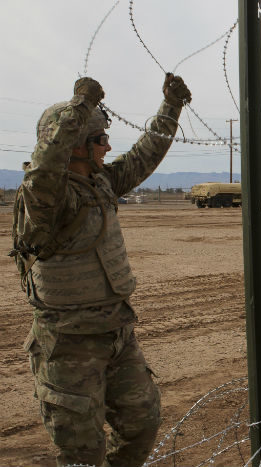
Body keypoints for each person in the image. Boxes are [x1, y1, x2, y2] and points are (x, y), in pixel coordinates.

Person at [12, 74, 191, 467]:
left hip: (117, 334)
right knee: (82, 453)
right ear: (72, 145)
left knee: (142, 426)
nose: (107, 146)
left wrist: (170, 108)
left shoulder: (101, 183)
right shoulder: (45, 199)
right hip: (68, 342)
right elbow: (45, 167)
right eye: (98, 140)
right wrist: (81, 105)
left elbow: (144, 156)